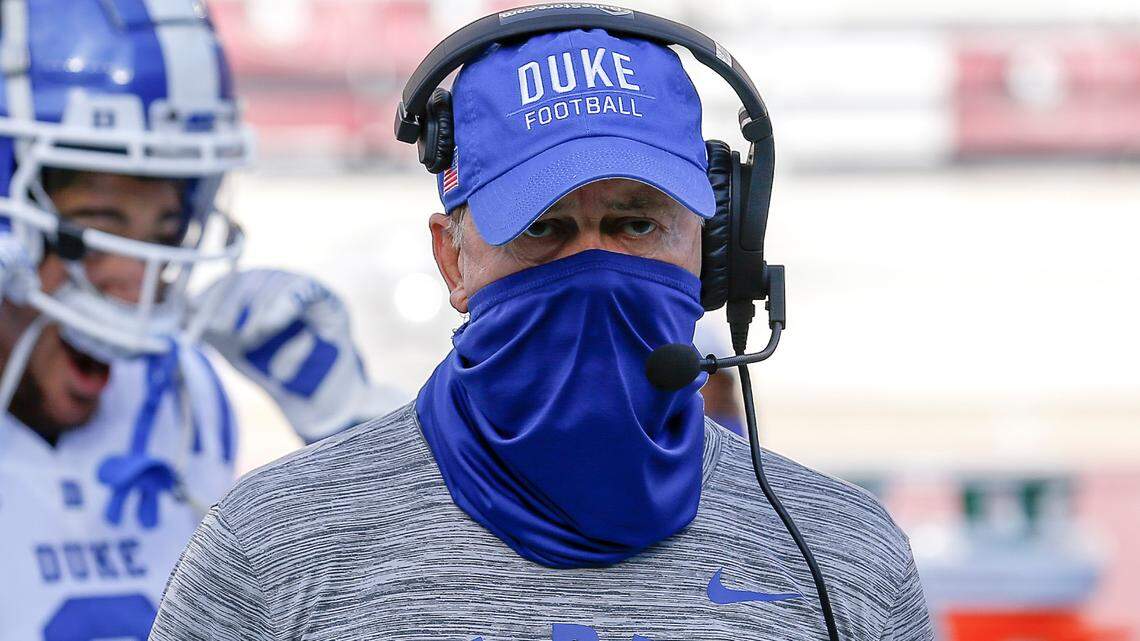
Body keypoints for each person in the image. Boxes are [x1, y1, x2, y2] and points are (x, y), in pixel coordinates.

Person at [150, 14, 934, 641]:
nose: (595, 267)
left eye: (635, 223)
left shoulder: (844, 556)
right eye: (544, 226)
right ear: (452, 258)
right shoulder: (271, 550)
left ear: (715, 250)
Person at [0, 1, 399, 637]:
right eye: (95, 231)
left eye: (167, 232)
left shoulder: (184, 399)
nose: (140, 285)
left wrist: (362, 441)